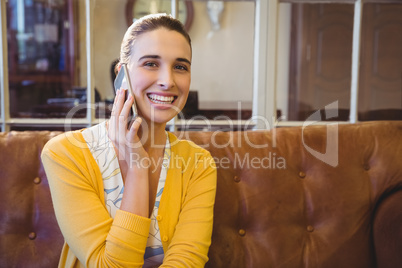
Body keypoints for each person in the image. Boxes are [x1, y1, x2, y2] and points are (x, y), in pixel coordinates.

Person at [41, 14, 217, 267]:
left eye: (180, 66)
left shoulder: (199, 164)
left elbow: (186, 262)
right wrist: (138, 169)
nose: (168, 81)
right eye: (151, 64)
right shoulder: (65, 153)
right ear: (121, 75)